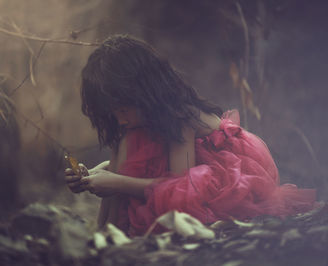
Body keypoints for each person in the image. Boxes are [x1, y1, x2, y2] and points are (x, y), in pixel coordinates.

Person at [65, 34, 317, 236]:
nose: (120, 118)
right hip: (184, 177)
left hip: (221, 173)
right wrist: (99, 174)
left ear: (143, 93)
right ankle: (106, 233)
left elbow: (179, 191)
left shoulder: (180, 116)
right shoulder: (131, 124)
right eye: (114, 111)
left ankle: (111, 234)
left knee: (136, 174)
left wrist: (115, 181)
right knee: (124, 143)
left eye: (123, 109)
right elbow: (130, 169)